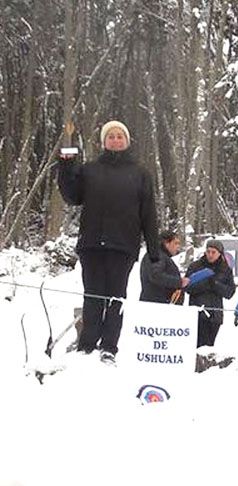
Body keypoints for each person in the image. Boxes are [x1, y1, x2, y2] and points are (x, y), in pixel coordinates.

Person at [57, 120, 160, 365]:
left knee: (116, 298)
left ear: (127, 141)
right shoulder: (90, 169)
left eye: (119, 136)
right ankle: (87, 345)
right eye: (111, 136)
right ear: (104, 141)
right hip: (92, 244)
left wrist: (155, 251)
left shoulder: (140, 173)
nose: (115, 140)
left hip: (123, 246)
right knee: (92, 295)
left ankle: (109, 347)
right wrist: (66, 165)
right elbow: (72, 196)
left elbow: (149, 213)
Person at [185, 239, 236, 348]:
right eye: (208, 251)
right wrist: (205, 284)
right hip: (197, 312)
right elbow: (187, 287)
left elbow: (230, 292)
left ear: (220, 253)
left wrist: (215, 284)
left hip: (215, 314)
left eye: (213, 252)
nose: (210, 255)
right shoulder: (195, 266)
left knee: (208, 346)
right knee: (196, 345)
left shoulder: (225, 269)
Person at [140, 230, 190, 304]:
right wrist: (179, 282)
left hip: (160, 303)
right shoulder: (157, 255)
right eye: (175, 243)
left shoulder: (161, 256)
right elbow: (155, 275)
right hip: (157, 305)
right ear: (166, 243)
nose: (178, 246)